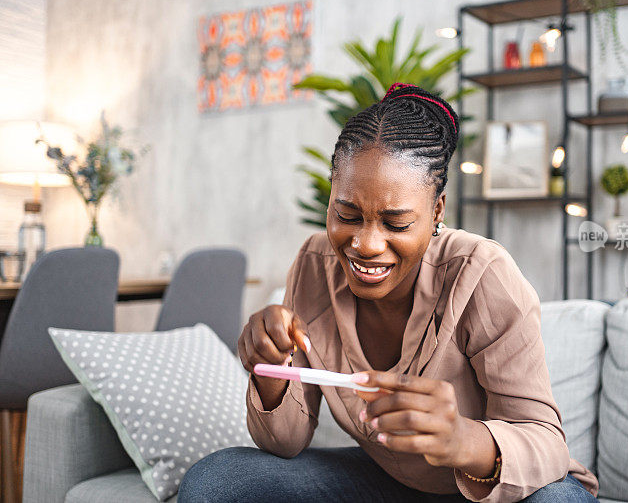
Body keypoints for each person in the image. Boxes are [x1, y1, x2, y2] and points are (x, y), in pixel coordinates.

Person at [178, 83, 599, 502]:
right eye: (347, 215)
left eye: (396, 224)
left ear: (437, 210)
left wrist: (462, 439)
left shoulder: (481, 274)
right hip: (389, 483)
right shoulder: (314, 265)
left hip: (494, 491)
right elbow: (284, 443)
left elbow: (547, 442)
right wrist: (272, 369)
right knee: (218, 482)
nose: (366, 244)